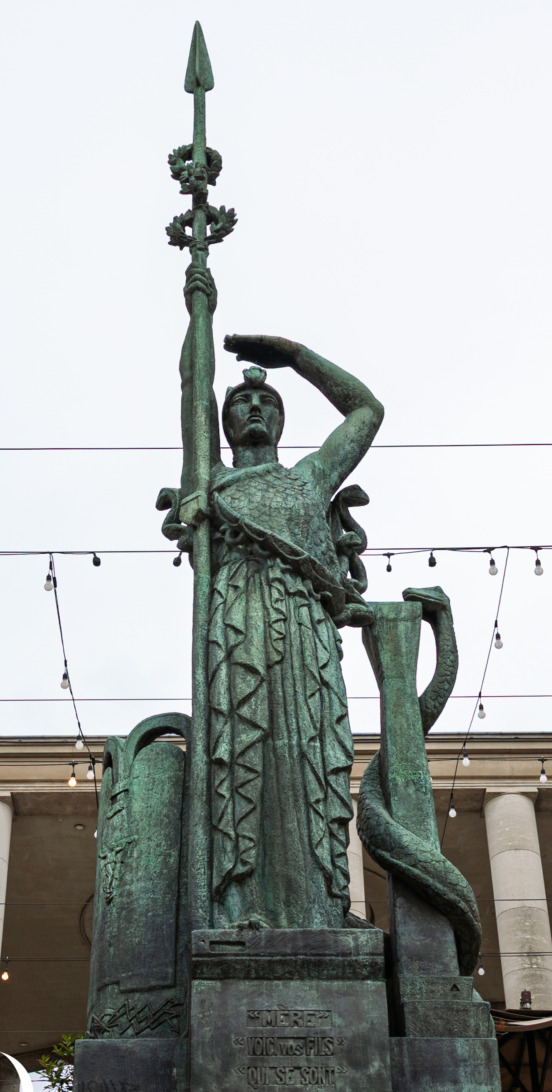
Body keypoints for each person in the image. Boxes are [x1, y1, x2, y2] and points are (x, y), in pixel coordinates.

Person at [178, 265, 383, 929]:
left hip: (302, 623)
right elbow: (193, 386)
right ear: (227, 421)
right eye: (240, 404)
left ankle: (320, 910)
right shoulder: (209, 478)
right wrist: (199, 311)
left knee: (307, 755)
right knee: (240, 752)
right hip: (235, 615)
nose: (254, 407)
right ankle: (240, 907)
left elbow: (366, 411)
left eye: (266, 403)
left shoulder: (309, 478)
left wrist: (295, 357)